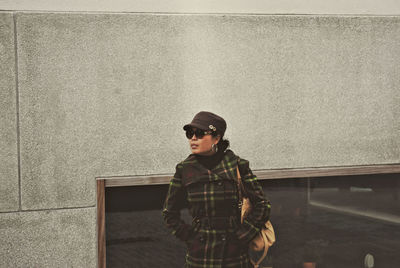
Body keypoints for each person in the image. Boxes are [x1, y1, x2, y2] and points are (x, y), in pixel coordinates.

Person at [162, 111, 271, 268]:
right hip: (200, 256)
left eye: (199, 133)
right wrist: (190, 237)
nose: (193, 138)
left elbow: (262, 206)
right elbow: (169, 213)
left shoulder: (237, 166)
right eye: (189, 133)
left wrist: (241, 236)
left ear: (217, 138)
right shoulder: (184, 169)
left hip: (234, 255)